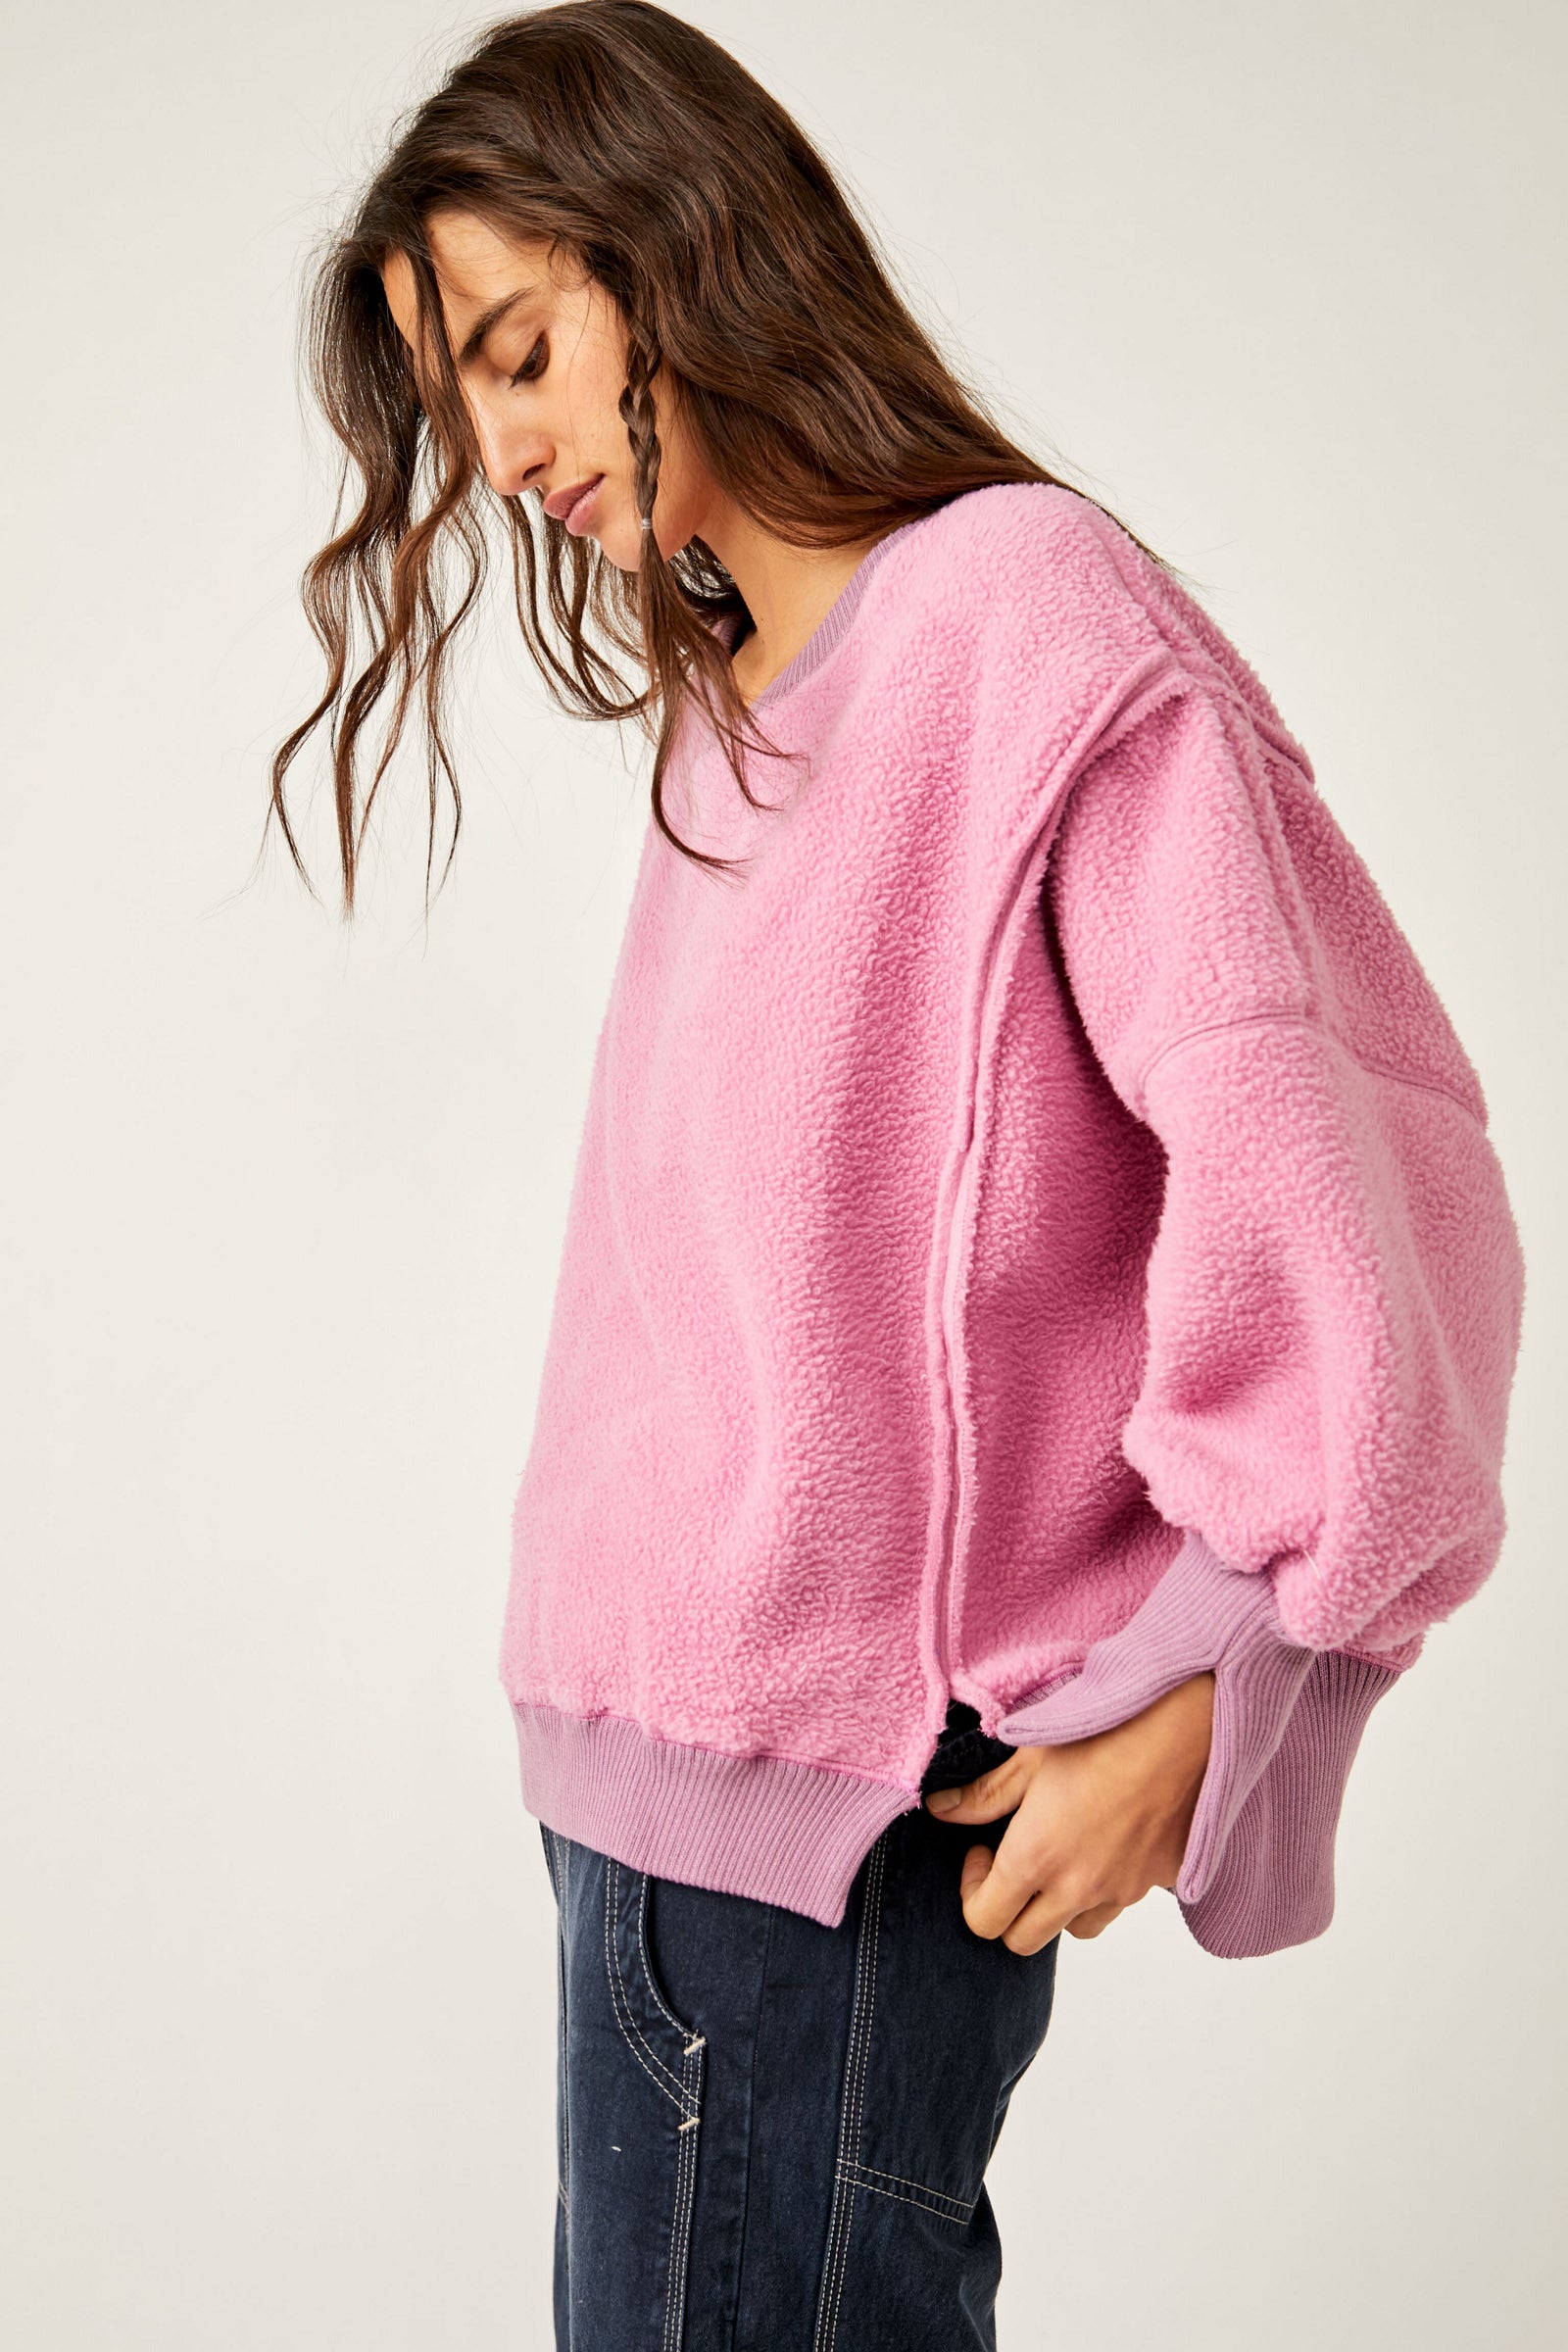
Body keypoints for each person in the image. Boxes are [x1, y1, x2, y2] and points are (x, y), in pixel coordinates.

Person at [271, 6, 1527, 2345]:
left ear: (677, 244)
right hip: (646, 1840)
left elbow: (1366, 1172)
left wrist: (1224, 1684)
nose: (504, 452)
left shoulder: (1020, 617)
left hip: (831, 1866)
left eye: (523, 352)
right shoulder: (739, 704)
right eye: (462, 403)